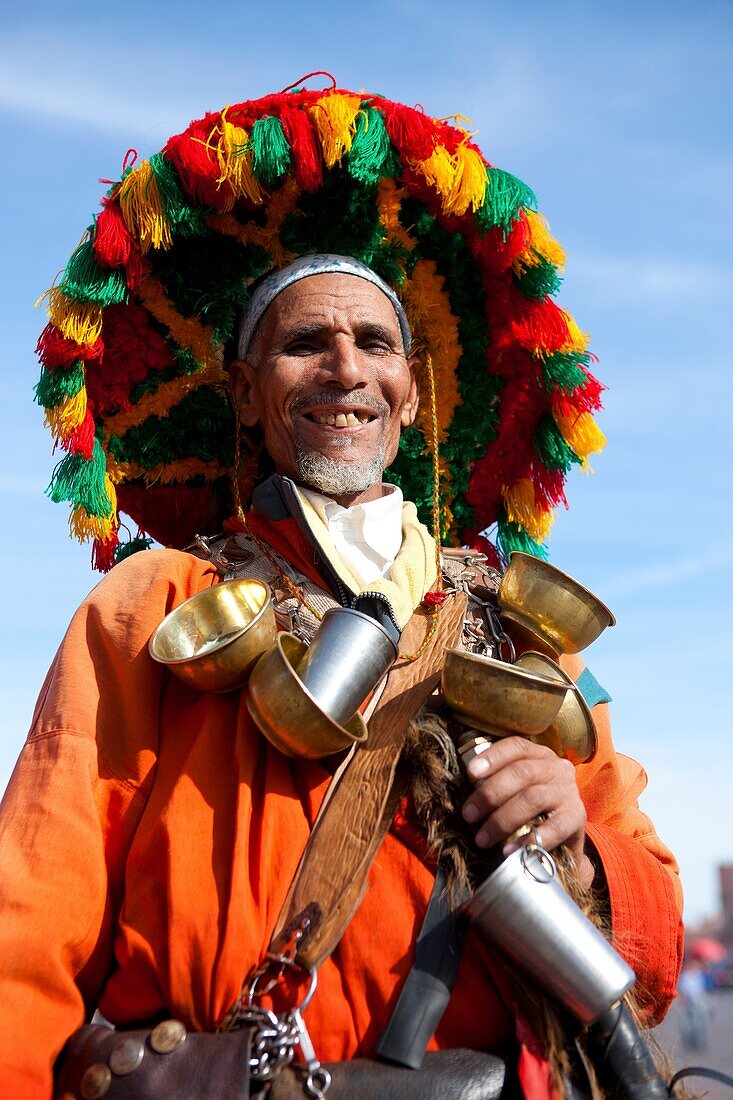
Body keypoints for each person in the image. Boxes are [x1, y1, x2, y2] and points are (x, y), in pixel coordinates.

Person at [0, 83, 683, 1100]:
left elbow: (655, 924)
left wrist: (577, 844)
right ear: (244, 391)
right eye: (301, 342)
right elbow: (29, 928)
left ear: (410, 393)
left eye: (373, 343)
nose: (342, 367)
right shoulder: (153, 604)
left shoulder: (511, 622)